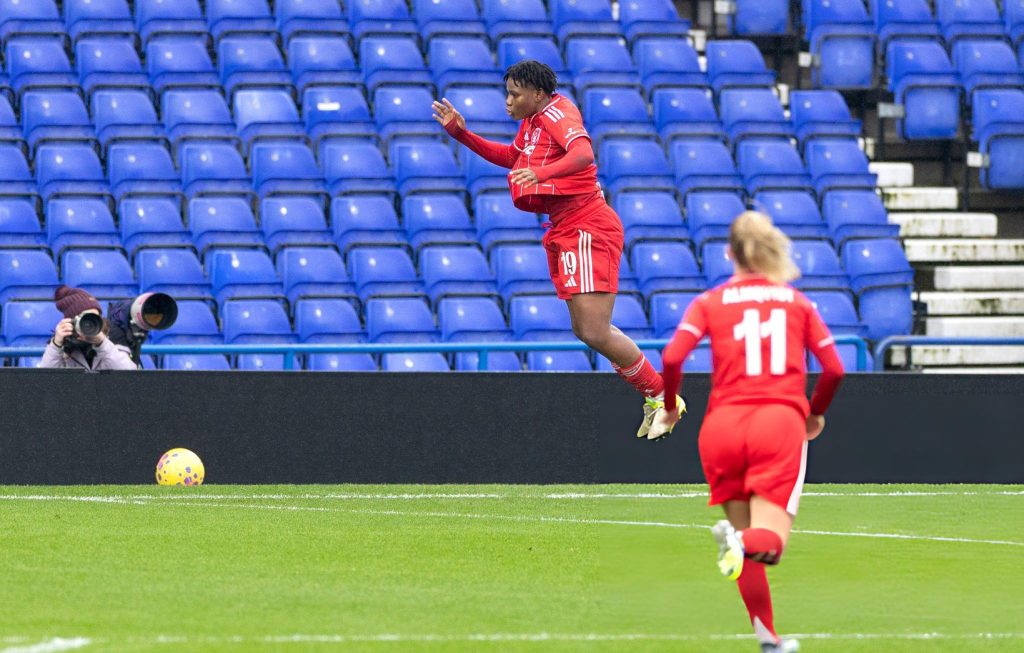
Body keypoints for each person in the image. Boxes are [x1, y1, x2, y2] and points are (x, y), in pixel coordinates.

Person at [432, 60, 684, 437]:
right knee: (585, 329)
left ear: (536, 93)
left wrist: (542, 173)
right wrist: (462, 135)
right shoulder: (532, 123)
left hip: (586, 224)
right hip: (566, 226)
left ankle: (662, 396)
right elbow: (510, 158)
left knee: (595, 329)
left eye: (515, 94)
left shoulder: (558, 111)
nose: (508, 101)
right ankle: (655, 395)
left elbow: (583, 155)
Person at [650, 212, 845, 653]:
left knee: (747, 554)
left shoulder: (709, 301)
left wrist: (669, 409)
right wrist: (815, 414)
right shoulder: (795, 302)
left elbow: (673, 356)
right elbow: (834, 368)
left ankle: (768, 640)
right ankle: (738, 543)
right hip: (777, 424)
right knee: (767, 544)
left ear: (729, 253)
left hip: (720, 428)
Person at [41, 286, 137, 370]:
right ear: (71, 322)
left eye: (95, 317)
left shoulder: (113, 336)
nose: (90, 324)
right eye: (85, 318)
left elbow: (129, 374)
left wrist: (102, 343)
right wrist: (56, 344)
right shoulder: (64, 343)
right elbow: (45, 380)